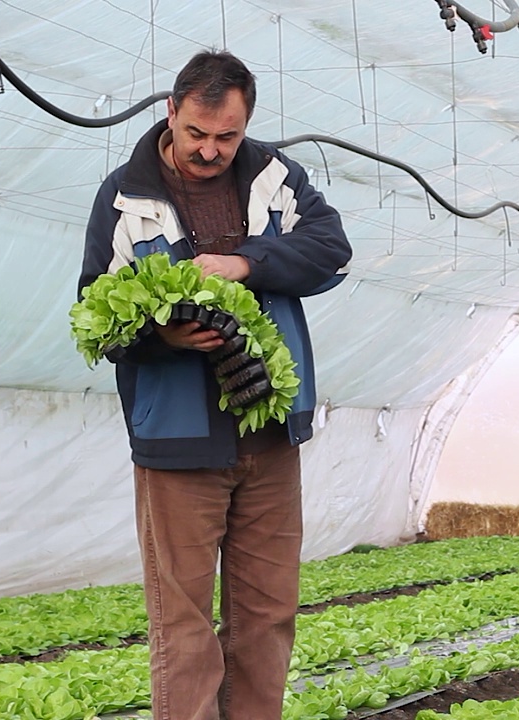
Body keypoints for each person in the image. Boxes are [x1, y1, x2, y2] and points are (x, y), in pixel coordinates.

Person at [77, 51, 352, 720]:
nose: (209, 150)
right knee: (184, 624)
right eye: (197, 133)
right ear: (171, 113)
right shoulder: (125, 197)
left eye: (226, 136)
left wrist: (242, 263)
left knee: (267, 614)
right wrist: (158, 335)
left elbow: (330, 249)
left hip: (269, 433)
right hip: (179, 442)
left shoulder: (274, 178)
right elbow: (93, 314)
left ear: (246, 123)